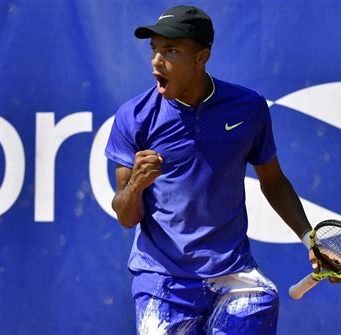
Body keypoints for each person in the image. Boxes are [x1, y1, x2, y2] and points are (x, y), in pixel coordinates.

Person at [105, 5, 318, 334]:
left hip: (234, 276)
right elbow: (125, 216)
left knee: (264, 297)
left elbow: (273, 182)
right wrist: (136, 184)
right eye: (155, 50)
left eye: (171, 51)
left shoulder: (248, 108)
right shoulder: (133, 117)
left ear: (201, 57)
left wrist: (310, 239)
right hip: (164, 281)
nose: (156, 62)